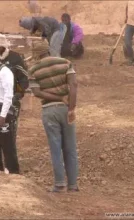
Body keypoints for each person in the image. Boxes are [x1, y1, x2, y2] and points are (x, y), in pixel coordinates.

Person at [27, 41, 79, 192]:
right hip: (65, 109)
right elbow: (74, 85)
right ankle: (73, 185)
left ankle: (59, 183)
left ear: (36, 54)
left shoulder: (33, 69)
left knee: (55, 147)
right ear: (48, 50)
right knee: (70, 147)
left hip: (49, 110)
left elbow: (36, 93)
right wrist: (71, 107)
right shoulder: (65, 63)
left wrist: (56, 97)